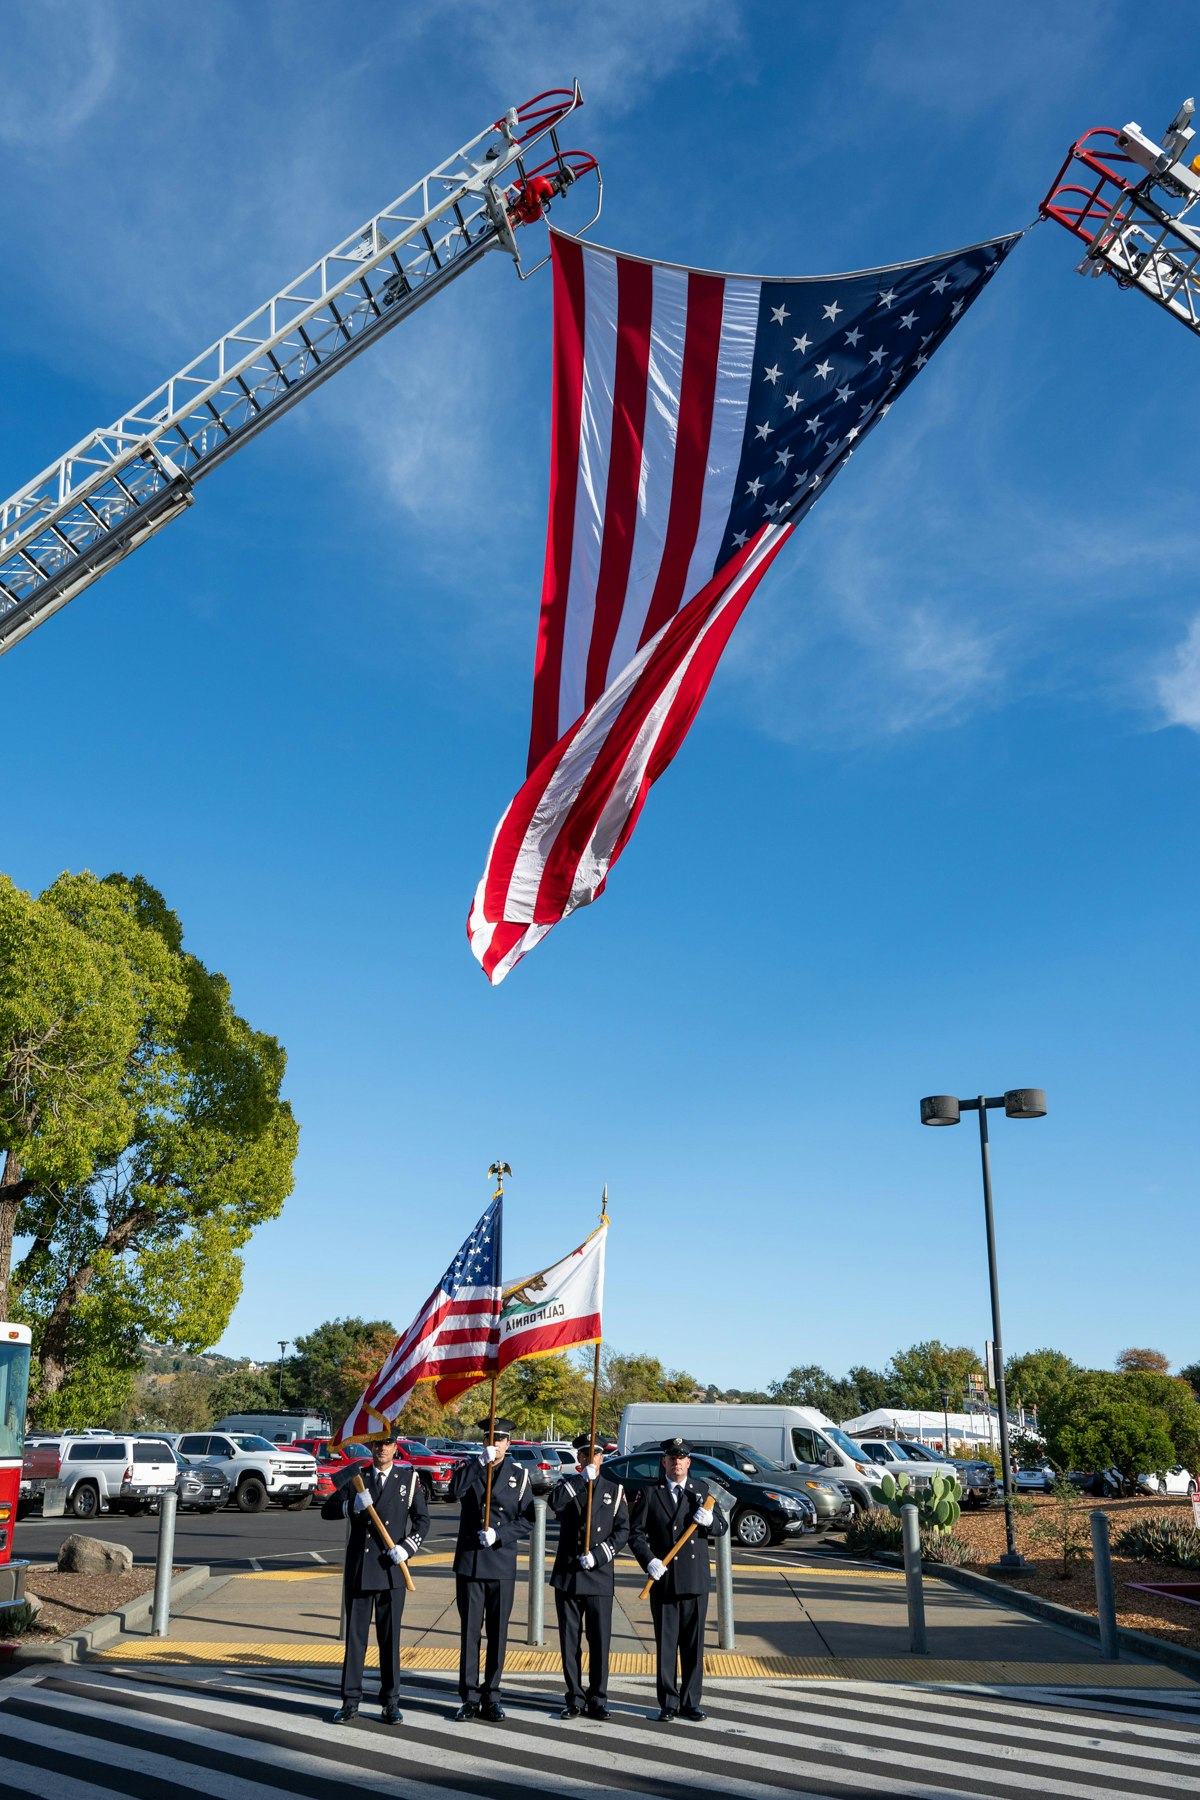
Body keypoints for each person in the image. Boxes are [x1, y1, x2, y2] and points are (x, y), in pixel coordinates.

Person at [321, 1428, 429, 1725]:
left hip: (392, 1570)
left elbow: (423, 1520)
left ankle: (391, 1702)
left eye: (387, 1444)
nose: (382, 1448)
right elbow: (327, 1510)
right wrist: (350, 1505)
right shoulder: (357, 1477)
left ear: (396, 1447)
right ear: (370, 1446)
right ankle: (350, 1700)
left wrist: (407, 1548)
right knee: (356, 1640)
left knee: (389, 1639)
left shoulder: (409, 1479)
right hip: (361, 1569)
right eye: (377, 1443)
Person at [629, 1436, 728, 1722]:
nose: (677, 1463)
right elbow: (636, 1535)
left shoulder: (702, 1492)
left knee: (693, 1646)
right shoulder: (650, 1494)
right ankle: (668, 1703)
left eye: (681, 1458)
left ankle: (691, 1702)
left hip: (695, 1580)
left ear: (689, 1462)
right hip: (664, 1579)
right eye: (671, 1458)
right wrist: (649, 1561)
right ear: (664, 1462)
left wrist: (710, 1521)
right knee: (667, 1644)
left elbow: (722, 1527)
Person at [449, 1416, 536, 1721]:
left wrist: (500, 1534)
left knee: (498, 1633)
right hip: (471, 1563)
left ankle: (492, 1695)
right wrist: (476, 1464)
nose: (494, 1444)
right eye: (489, 1438)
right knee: (470, 1632)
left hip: (501, 1563)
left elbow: (528, 1519)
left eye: (500, 1439)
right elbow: (454, 1492)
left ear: (508, 1443)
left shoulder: (519, 1475)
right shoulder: (468, 1468)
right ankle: (469, 1696)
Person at [549, 1432, 631, 1722]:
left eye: (595, 1454)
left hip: (598, 1574)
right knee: (570, 1641)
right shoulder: (568, 1485)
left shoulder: (615, 1489)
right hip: (569, 1574)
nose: (590, 1459)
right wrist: (581, 1480)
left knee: (599, 1641)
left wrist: (600, 1554)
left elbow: (623, 1530)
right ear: (580, 1459)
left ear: (602, 1457)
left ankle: (598, 1698)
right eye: (585, 1455)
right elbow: (554, 1504)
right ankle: (573, 1697)